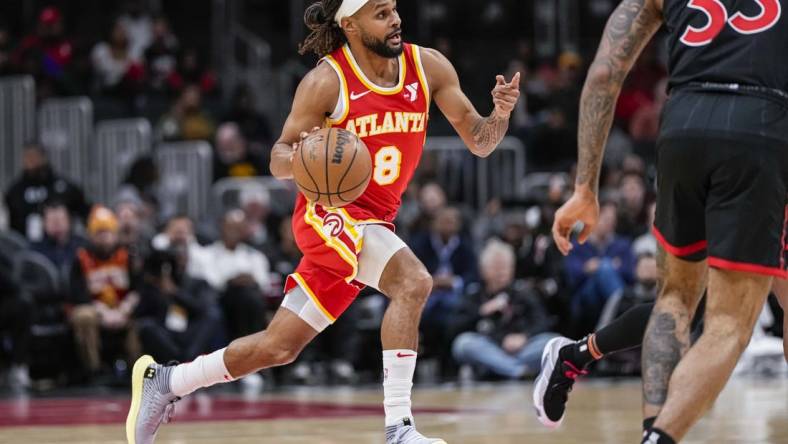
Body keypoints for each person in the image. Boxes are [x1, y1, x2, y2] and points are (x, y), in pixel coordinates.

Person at [126, 1, 521, 443]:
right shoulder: (326, 81)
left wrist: (500, 116)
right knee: (413, 281)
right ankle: (399, 429)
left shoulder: (427, 66)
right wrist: (305, 156)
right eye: (380, 13)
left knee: (279, 346)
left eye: (393, 9)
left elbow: (481, 142)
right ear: (349, 24)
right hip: (326, 215)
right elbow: (277, 159)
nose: (395, 20)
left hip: (374, 225)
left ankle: (168, 382)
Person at [541, 0, 788, 442]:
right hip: (762, 130)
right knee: (726, 322)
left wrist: (585, 188)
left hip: (685, 123)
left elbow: (602, 73)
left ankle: (603, 382)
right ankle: (655, 433)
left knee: (677, 299)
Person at [451, 240, 557, 379]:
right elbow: (453, 328)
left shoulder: (524, 292)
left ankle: (503, 368)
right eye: (496, 266)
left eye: (506, 266)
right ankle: (517, 371)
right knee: (463, 344)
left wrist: (524, 337)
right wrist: (481, 312)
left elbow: (542, 322)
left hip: (523, 349)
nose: (501, 271)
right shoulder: (474, 294)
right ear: (483, 270)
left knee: (554, 342)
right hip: (490, 349)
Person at [69, 206, 140, 376]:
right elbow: (77, 293)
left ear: (115, 233)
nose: (104, 237)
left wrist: (124, 310)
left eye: (107, 232)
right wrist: (103, 312)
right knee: (83, 316)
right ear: (91, 235)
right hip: (96, 309)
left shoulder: (127, 256)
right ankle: (94, 370)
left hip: (123, 309)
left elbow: (139, 289)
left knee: (143, 317)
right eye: (99, 233)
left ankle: (138, 372)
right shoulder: (81, 258)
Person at [4, 143, 90, 241]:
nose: (31, 161)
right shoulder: (15, 191)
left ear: (43, 158)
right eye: (28, 157)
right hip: (25, 245)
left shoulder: (63, 187)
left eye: (34, 156)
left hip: (62, 247)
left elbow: (84, 211)